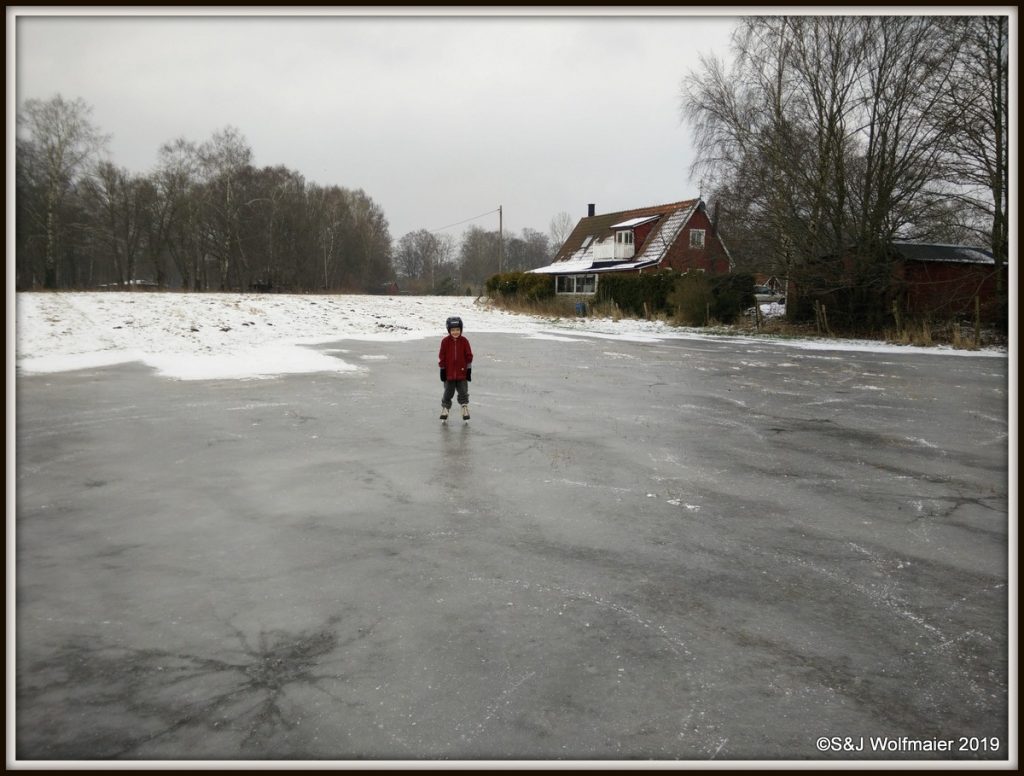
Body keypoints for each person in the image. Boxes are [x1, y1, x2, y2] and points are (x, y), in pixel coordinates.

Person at [438, 316, 473, 421]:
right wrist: (442, 369)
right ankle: (445, 408)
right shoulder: (445, 342)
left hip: (462, 373)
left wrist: (469, 369)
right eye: (453, 330)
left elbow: (469, 356)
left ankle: (464, 407)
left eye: (458, 329)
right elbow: (442, 356)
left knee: (463, 391)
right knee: (448, 392)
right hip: (448, 373)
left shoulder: (464, 341)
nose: (455, 332)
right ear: (449, 330)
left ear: (461, 330)